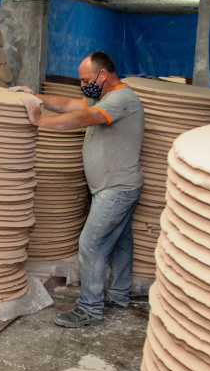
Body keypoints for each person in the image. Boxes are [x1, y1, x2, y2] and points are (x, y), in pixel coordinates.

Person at [14, 51, 144, 328]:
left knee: (91, 244)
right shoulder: (105, 97)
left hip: (116, 189)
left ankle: (89, 309)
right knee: (121, 242)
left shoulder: (121, 99)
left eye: (86, 80)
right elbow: (69, 104)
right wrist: (36, 98)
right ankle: (118, 294)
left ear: (103, 75)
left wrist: (41, 121)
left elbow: (84, 117)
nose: (83, 86)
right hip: (118, 187)